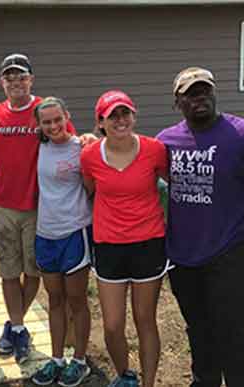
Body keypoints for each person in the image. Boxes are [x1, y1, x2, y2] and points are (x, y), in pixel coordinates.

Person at [157, 67, 244, 387]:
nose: (199, 97)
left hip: (234, 255)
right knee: (200, 333)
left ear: (214, 93)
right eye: (190, 93)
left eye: (205, 90)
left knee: (236, 336)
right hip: (185, 259)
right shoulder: (165, 142)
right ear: (178, 102)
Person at [0, 53, 79, 364]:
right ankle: (19, 327)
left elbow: (69, 141)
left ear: (31, 80)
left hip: (39, 207)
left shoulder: (44, 112)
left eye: (21, 76)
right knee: (9, 272)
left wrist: (91, 139)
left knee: (32, 271)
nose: (16, 82)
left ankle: (13, 324)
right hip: (4, 205)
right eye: (9, 77)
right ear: (2, 82)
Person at [80, 90, 169, 387]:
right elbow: (89, 188)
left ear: (134, 116)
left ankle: (148, 383)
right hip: (108, 245)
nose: (121, 120)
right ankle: (125, 375)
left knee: (145, 320)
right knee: (113, 325)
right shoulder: (90, 155)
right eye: (112, 115)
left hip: (149, 243)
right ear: (101, 122)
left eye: (125, 113)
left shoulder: (155, 149)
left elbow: (170, 183)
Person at [30, 97, 92, 387]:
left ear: (67, 116)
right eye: (47, 121)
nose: (54, 126)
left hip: (74, 232)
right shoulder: (38, 147)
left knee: (77, 300)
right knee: (55, 299)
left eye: (58, 119)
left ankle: (79, 361)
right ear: (39, 125)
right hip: (45, 233)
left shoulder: (83, 147)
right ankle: (56, 359)